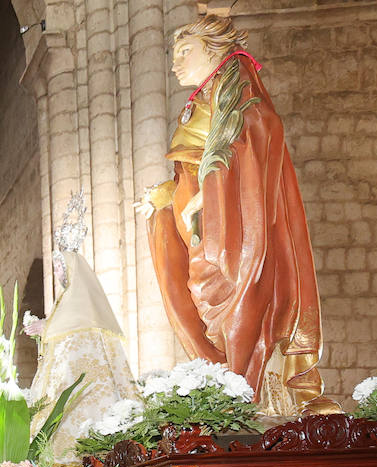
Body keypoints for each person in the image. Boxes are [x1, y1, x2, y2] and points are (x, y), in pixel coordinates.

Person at [139, 14, 330, 414]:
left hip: (229, 224)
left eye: (185, 52)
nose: (175, 63)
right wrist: (170, 195)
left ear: (214, 50)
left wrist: (208, 193)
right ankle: (230, 390)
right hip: (201, 222)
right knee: (207, 310)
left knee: (239, 303)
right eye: (174, 54)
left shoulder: (236, 82)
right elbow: (193, 163)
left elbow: (259, 130)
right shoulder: (206, 96)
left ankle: (255, 397)